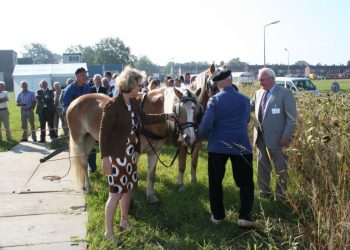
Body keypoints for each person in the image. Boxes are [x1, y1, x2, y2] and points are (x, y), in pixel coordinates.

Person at [100, 66, 175, 243]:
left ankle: (124, 222)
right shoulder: (113, 105)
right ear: (129, 85)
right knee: (116, 193)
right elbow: (104, 133)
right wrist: (105, 158)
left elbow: (145, 118)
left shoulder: (133, 102)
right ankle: (108, 232)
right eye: (138, 85)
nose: (141, 88)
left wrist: (166, 116)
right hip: (117, 156)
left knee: (128, 189)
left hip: (131, 154)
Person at [196, 69, 255, 228]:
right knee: (245, 183)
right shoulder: (244, 99)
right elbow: (247, 119)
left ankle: (218, 215)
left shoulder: (214, 100)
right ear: (230, 80)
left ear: (217, 84)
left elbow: (207, 124)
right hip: (241, 145)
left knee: (215, 181)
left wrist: (199, 134)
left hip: (217, 146)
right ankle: (244, 216)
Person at [250, 68, 297, 201]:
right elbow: (250, 106)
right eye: (259, 80)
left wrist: (286, 136)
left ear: (272, 78)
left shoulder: (285, 93)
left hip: (279, 139)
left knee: (280, 167)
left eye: (262, 80)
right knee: (262, 165)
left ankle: (281, 196)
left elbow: (292, 118)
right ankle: (264, 192)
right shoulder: (259, 93)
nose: (260, 83)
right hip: (260, 138)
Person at [63, 67, 97, 173]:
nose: (85, 77)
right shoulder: (70, 89)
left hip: (88, 121)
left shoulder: (87, 87)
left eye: (85, 75)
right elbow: (65, 106)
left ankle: (92, 167)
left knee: (90, 144)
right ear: (77, 76)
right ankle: (80, 168)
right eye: (82, 75)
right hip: (76, 122)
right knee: (79, 146)